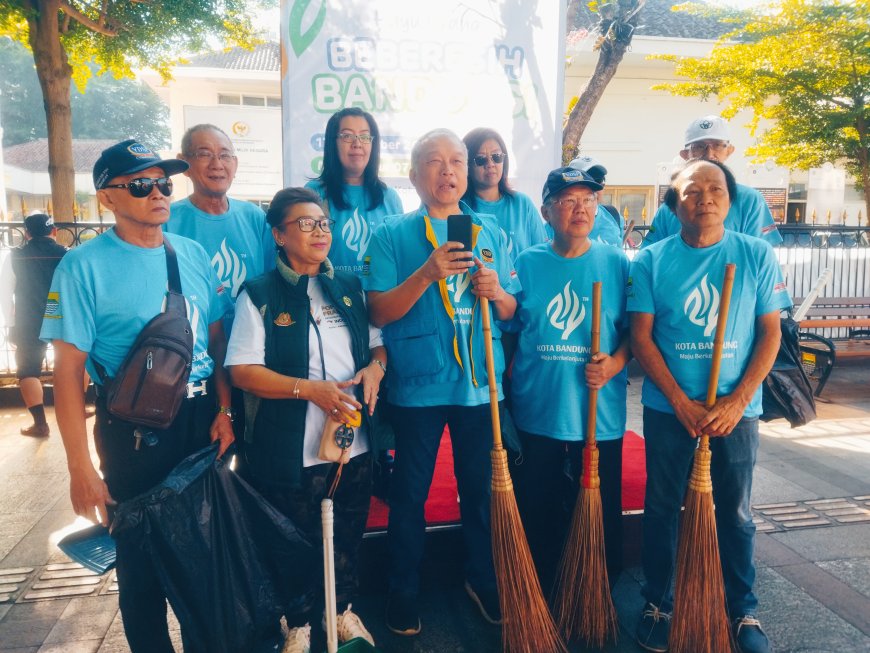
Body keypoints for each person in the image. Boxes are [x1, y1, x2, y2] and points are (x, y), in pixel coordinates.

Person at [41, 139, 234, 653]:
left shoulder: (189, 254)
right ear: (107, 198)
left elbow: (215, 341)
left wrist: (224, 409)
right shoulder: (82, 267)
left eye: (164, 182)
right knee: (141, 565)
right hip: (133, 432)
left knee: (206, 556)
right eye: (141, 184)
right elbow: (68, 373)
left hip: (199, 422)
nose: (158, 193)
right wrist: (80, 468)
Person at [628, 159, 790, 653]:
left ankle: (742, 611)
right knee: (660, 509)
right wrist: (678, 400)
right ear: (675, 203)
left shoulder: (756, 254)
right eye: (692, 190)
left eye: (716, 188)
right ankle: (659, 601)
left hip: (735, 412)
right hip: (668, 409)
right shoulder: (651, 261)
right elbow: (641, 337)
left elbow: (770, 333)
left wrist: (738, 400)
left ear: (731, 198)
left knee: (736, 513)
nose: (705, 197)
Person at [363, 128, 520, 636]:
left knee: (480, 491)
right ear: (414, 176)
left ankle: (482, 578)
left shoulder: (487, 232)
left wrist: (496, 292)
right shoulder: (391, 234)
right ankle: (403, 589)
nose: (448, 171)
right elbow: (378, 310)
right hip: (418, 384)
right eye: (435, 161)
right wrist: (427, 274)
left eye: (457, 161)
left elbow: (513, 309)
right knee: (410, 494)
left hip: (480, 383)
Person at [226, 186, 387, 652]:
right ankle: (298, 622)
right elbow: (241, 370)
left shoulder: (349, 289)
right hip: (289, 447)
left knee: (348, 534)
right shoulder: (259, 293)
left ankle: (340, 612)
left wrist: (376, 367)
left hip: (351, 441)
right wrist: (307, 390)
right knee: (291, 541)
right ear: (278, 234)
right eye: (305, 224)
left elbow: (377, 345)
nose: (319, 232)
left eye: (324, 223)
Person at [509, 166, 630, 594]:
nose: (580, 209)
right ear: (545, 211)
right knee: (537, 505)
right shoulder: (526, 263)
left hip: (597, 412)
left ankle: (596, 592)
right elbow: (510, 331)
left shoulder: (616, 263)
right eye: (567, 201)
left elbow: (638, 332)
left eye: (589, 200)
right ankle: (539, 590)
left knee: (599, 509)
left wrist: (615, 363)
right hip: (537, 408)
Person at [166, 123, 275, 442]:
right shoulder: (169, 220)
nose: (217, 163)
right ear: (183, 163)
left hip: (251, 359)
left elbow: (270, 282)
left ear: (236, 164)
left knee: (253, 454)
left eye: (225, 154)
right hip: (195, 366)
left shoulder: (255, 218)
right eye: (204, 154)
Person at [643, 115, 783, 247]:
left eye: (717, 145)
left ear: (729, 151)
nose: (709, 154)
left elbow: (759, 257)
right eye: (698, 146)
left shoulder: (750, 200)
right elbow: (650, 257)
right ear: (685, 155)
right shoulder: (670, 206)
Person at [306, 107, 404, 276]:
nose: (357, 143)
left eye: (365, 136)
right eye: (347, 136)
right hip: (329, 297)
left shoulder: (389, 198)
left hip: (381, 298)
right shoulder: (313, 194)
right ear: (332, 142)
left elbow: (399, 257)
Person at [7, 213, 67, 437]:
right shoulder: (66, 255)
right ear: (54, 231)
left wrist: (11, 324)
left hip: (29, 318)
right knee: (73, 363)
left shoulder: (15, 257)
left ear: (27, 233)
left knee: (28, 369)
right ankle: (76, 411)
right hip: (60, 314)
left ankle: (41, 424)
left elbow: (4, 295)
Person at [461, 127, 547, 261]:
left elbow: (542, 256)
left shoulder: (522, 204)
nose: (490, 164)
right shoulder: (459, 209)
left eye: (497, 157)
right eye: (480, 159)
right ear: (466, 166)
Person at [569, 155, 624, 247]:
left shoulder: (614, 217)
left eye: (598, 181)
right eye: (587, 181)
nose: (594, 188)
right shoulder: (558, 221)